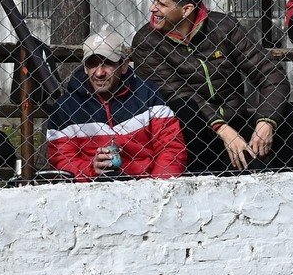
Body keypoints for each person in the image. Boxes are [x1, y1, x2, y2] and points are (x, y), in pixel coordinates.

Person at [132, 0, 293, 174]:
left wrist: (266, 122)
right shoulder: (146, 41)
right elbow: (176, 94)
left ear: (187, 9)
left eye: (162, 4)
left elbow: (272, 74)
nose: (153, 9)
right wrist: (223, 130)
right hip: (195, 132)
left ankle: (281, 182)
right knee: (185, 109)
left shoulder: (222, 26)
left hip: (236, 120)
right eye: (154, 0)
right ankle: (251, 173)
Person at [46, 29, 187, 182]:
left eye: (107, 63)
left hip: (145, 185)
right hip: (90, 191)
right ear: (85, 68)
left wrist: (156, 189)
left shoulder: (147, 94)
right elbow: (61, 160)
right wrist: (91, 169)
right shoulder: (66, 107)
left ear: (124, 65)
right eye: (92, 64)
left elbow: (171, 147)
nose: (99, 73)